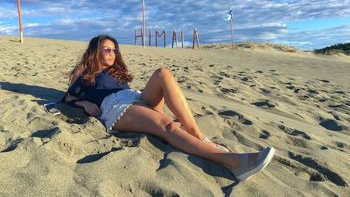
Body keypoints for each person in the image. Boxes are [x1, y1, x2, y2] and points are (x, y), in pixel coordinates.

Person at [63, 35, 275, 181]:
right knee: (167, 124)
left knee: (163, 73)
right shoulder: (85, 69)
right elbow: (67, 97)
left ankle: (199, 137)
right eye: (106, 49)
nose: (112, 53)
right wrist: (84, 102)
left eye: (114, 49)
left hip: (134, 97)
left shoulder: (116, 70)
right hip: (115, 107)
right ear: (94, 52)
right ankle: (234, 162)